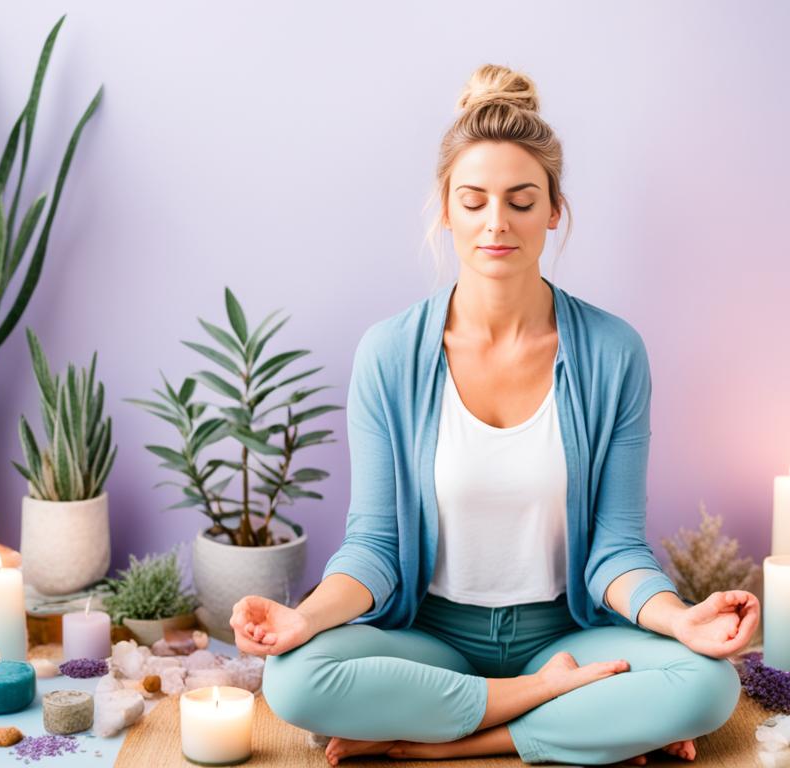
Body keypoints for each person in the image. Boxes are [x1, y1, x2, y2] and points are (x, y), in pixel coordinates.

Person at [230, 64, 759, 766]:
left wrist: (679, 619)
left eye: (520, 200)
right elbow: (376, 548)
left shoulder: (613, 352)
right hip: (433, 638)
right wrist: (305, 618)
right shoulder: (389, 354)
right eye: (473, 200)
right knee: (294, 679)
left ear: (553, 210)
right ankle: (550, 706)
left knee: (706, 686)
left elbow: (615, 551)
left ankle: (445, 743)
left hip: (566, 632)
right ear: (445, 209)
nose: (496, 223)